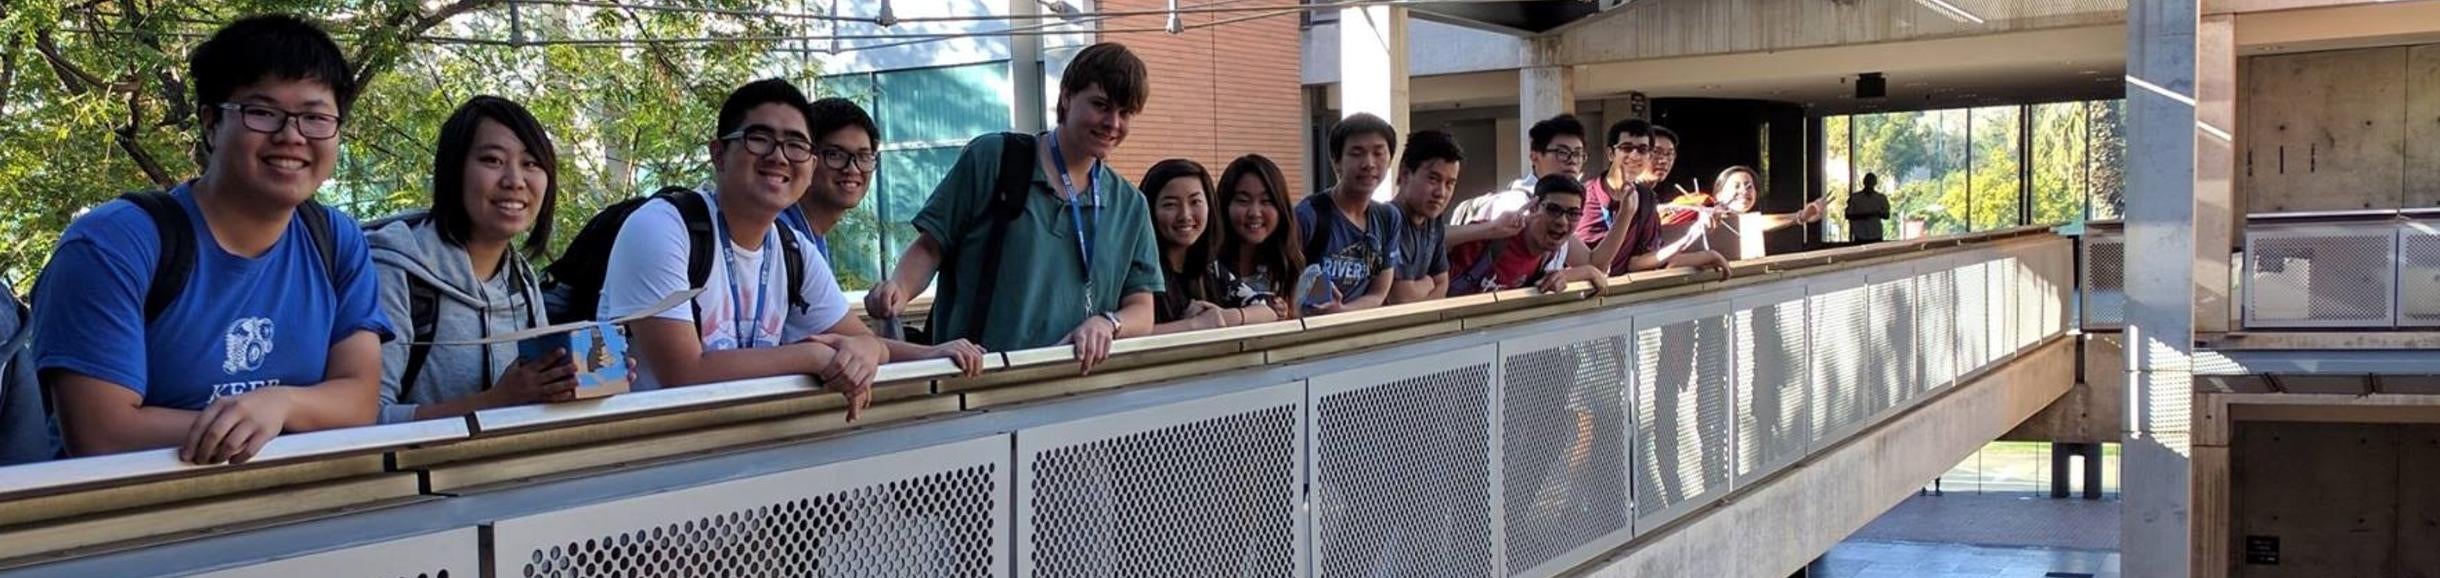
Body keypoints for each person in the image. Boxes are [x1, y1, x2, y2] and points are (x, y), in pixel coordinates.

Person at [32, 15, 392, 464]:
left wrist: (281, 404)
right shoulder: (113, 246)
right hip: (123, 520)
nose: (292, 136)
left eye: (315, 117)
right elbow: (102, 434)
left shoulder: (336, 240)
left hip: (291, 509)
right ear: (211, 123)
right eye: (262, 112)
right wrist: (262, 425)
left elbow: (359, 403)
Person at [597, 78, 887, 419]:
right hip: (643, 452)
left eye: (796, 145)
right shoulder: (662, 227)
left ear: (810, 164)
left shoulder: (791, 248)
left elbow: (859, 340)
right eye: (760, 139)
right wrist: (813, 357)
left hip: (741, 444)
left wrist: (873, 347)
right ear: (719, 154)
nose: (779, 157)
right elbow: (684, 374)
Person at [866, 42, 1161, 374]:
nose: (1113, 123)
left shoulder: (1130, 205)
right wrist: (899, 290)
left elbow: (1142, 308)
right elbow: (932, 246)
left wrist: (1108, 324)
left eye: (1125, 113)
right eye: (1100, 105)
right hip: (978, 382)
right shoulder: (994, 159)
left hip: (1076, 390)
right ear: (1066, 97)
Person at [366, 96, 580, 423]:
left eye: (531, 163)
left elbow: (531, 404)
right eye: (493, 160)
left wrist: (578, 384)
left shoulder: (520, 281)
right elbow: (366, 421)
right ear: (453, 171)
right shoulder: (394, 271)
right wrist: (497, 402)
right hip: (418, 474)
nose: (515, 181)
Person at [776, 97, 986, 374]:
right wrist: (934, 352)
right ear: (808, 158)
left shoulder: (809, 238)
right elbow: (856, 340)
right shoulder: (781, 237)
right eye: (836, 154)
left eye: (864, 157)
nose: (852, 168)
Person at [1140, 159, 1284, 334]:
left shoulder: (1209, 268)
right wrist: (1195, 325)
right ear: (1148, 209)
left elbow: (1268, 310)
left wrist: (1222, 317)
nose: (1185, 215)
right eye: (1170, 204)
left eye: (1195, 202)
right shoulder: (1140, 271)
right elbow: (1125, 335)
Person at [1577, 118, 1729, 277]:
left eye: (1642, 149)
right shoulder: (1584, 195)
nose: (1635, 155)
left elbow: (1637, 263)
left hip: (1622, 292)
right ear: (1610, 153)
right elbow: (1586, 263)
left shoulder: (1646, 198)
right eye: (1627, 148)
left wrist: (1691, 237)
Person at [1296, 113, 1403, 316]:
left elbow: (1378, 293)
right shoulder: (1309, 215)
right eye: (1356, 153)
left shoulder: (1388, 218)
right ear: (1336, 162)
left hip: (1356, 333)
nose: (1369, 163)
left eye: (1378, 153)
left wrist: (1343, 311)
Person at [1447, 176, 1610, 297]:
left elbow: (1550, 281)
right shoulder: (1494, 236)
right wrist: (1490, 228)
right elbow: (1429, 240)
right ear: (1534, 208)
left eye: (1573, 213)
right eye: (1553, 209)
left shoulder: (1549, 255)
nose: (1562, 221)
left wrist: (1589, 272)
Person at [1656, 166, 1824, 261]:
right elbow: (1755, 224)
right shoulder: (1703, 211)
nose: (1744, 191)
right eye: (1736, 186)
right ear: (1718, 194)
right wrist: (1799, 217)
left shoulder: (1745, 222)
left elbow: (1753, 224)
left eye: (1749, 186)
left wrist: (1801, 216)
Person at [1448, 114, 1587, 229]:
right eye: (1562, 152)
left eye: (1578, 154)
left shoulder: (1566, 202)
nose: (1572, 160)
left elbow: (1589, 259)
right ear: (1534, 157)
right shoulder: (1515, 202)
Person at [1212, 154, 1304, 314]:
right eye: (1243, 200)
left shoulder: (1286, 264)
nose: (1255, 212)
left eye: (1266, 201)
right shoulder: (1208, 267)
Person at [1386, 130, 1462, 304]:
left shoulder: (1434, 222)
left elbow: (1443, 284)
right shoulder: (1389, 220)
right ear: (1405, 173)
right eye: (1433, 179)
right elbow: (1402, 299)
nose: (1441, 193)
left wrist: (1421, 290)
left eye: (1450, 183)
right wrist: (1428, 282)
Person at [1845, 172, 1892, 244]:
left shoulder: (1881, 198)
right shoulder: (1855, 198)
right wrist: (1864, 215)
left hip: (1876, 233)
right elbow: (1848, 215)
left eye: (1871, 181)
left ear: (1875, 183)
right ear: (1864, 182)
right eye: (1868, 181)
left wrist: (1877, 214)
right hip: (1860, 234)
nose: (1870, 183)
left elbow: (1887, 215)